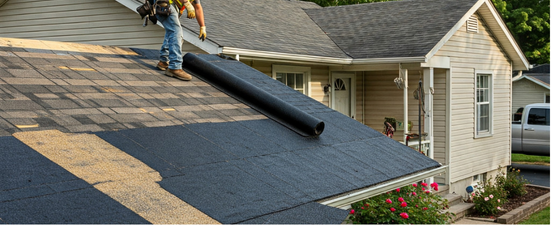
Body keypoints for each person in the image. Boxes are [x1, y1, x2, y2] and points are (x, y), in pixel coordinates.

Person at [155, 0, 206, 81]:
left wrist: (202, 27)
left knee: (172, 31)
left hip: (171, 7)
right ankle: (175, 67)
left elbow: (198, 7)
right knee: (176, 33)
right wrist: (187, 4)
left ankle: (164, 61)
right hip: (164, 5)